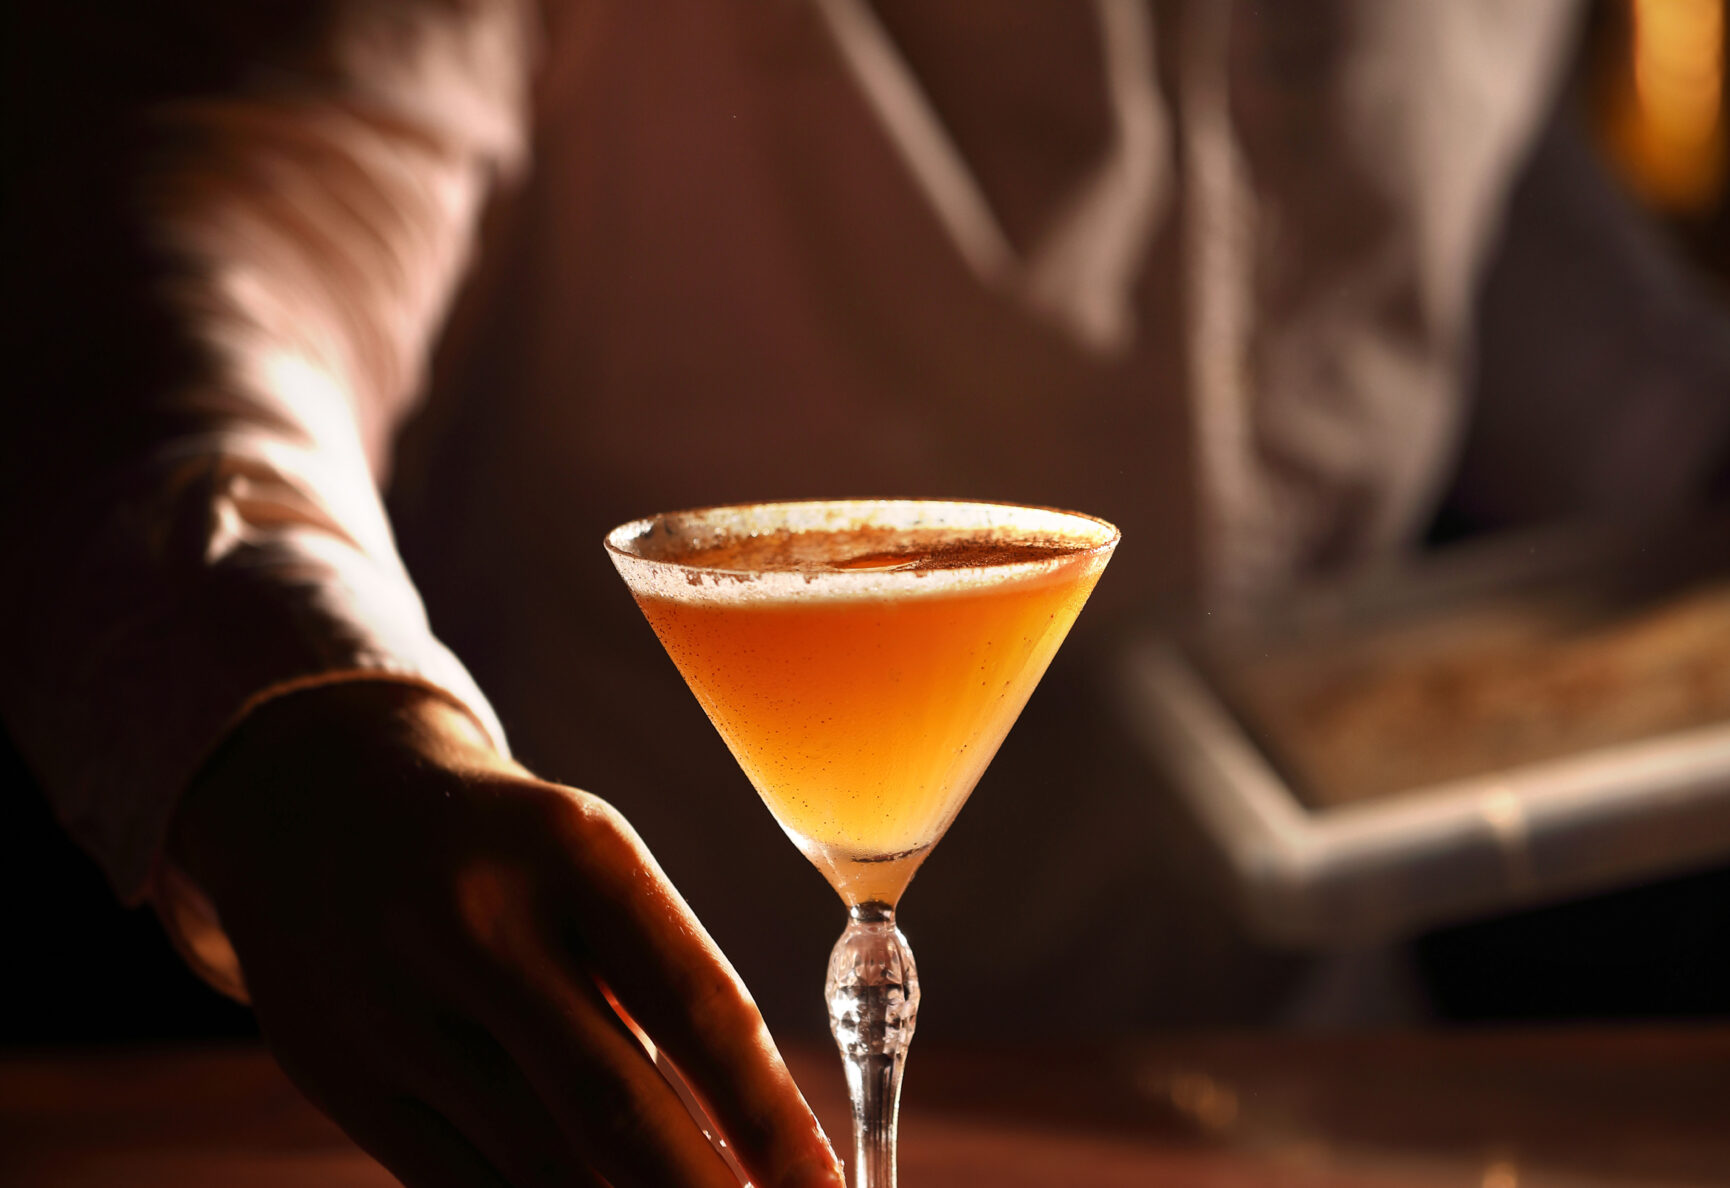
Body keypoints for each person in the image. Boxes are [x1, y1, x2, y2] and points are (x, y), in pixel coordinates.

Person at [12, 1, 1730, 1185]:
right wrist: (319, 715)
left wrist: (1685, 438)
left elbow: (1472, 224)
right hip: (630, 1097)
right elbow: (226, 240)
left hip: (1314, 1086)